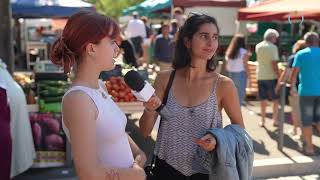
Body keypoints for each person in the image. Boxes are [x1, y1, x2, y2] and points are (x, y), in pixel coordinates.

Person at [139, 13, 245, 179]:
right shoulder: (165, 79)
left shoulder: (224, 85)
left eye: (215, 37)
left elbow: (240, 131)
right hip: (164, 169)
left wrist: (218, 139)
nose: (211, 43)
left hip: (205, 172)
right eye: (204, 36)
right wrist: (150, 110)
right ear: (187, 41)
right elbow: (145, 131)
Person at [50, 11, 146, 180]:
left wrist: (138, 154)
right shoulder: (78, 99)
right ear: (91, 48)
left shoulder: (100, 86)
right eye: (111, 42)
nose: (117, 49)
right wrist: (136, 175)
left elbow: (116, 133)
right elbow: (88, 173)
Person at [291, 32, 320, 156]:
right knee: (319, 120)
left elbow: (294, 73)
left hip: (306, 92)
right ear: (317, 41)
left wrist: (292, 87)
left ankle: (309, 148)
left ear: (306, 42)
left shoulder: (301, 54)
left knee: (307, 121)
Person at [276, 40, 306, 138]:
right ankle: (295, 129)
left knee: (297, 111)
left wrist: (279, 85)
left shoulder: (294, 57)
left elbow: (287, 73)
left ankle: (302, 135)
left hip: (296, 88)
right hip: (310, 88)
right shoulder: (311, 56)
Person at [255, 29, 280, 127]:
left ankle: (263, 121)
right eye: (275, 38)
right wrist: (278, 75)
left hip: (260, 76)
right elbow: (274, 63)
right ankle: (275, 120)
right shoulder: (273, 47)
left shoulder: (258, 46)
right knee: (275, 100)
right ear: (272, 37)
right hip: (271, 77)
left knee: (263, 100)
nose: (276, 40)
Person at [225, 34, 251, 105]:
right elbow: (245, 65)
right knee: (240, 96)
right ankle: (237, 114)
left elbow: (226, 65)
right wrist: (249, 76)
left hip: (230, 74)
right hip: (240, 74)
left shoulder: (229, 51)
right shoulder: (244, 52)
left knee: (231, 96)